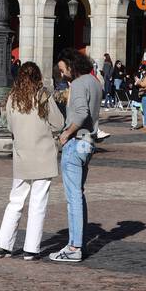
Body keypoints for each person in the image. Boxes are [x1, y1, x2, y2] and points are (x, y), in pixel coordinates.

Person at [0, 62, 65, 260]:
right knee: (37, 203)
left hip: (22, 155)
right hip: (42, 154)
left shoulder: (12, 98)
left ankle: (3, 245)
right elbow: (59, 123)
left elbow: (9, 126)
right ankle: (31, 248)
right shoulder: (42, 96)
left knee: (15, 201)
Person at [50, 52, 101, 263]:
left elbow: (80, 113)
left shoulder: (79, 83)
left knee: (73, 198)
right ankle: (78, 242)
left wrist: (65, 133)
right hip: (88, 142)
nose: (62, 74)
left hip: (76, 142)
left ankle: (74, 246)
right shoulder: (94, 82)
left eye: (63, 69)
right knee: (78, 194)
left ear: (73, 65)